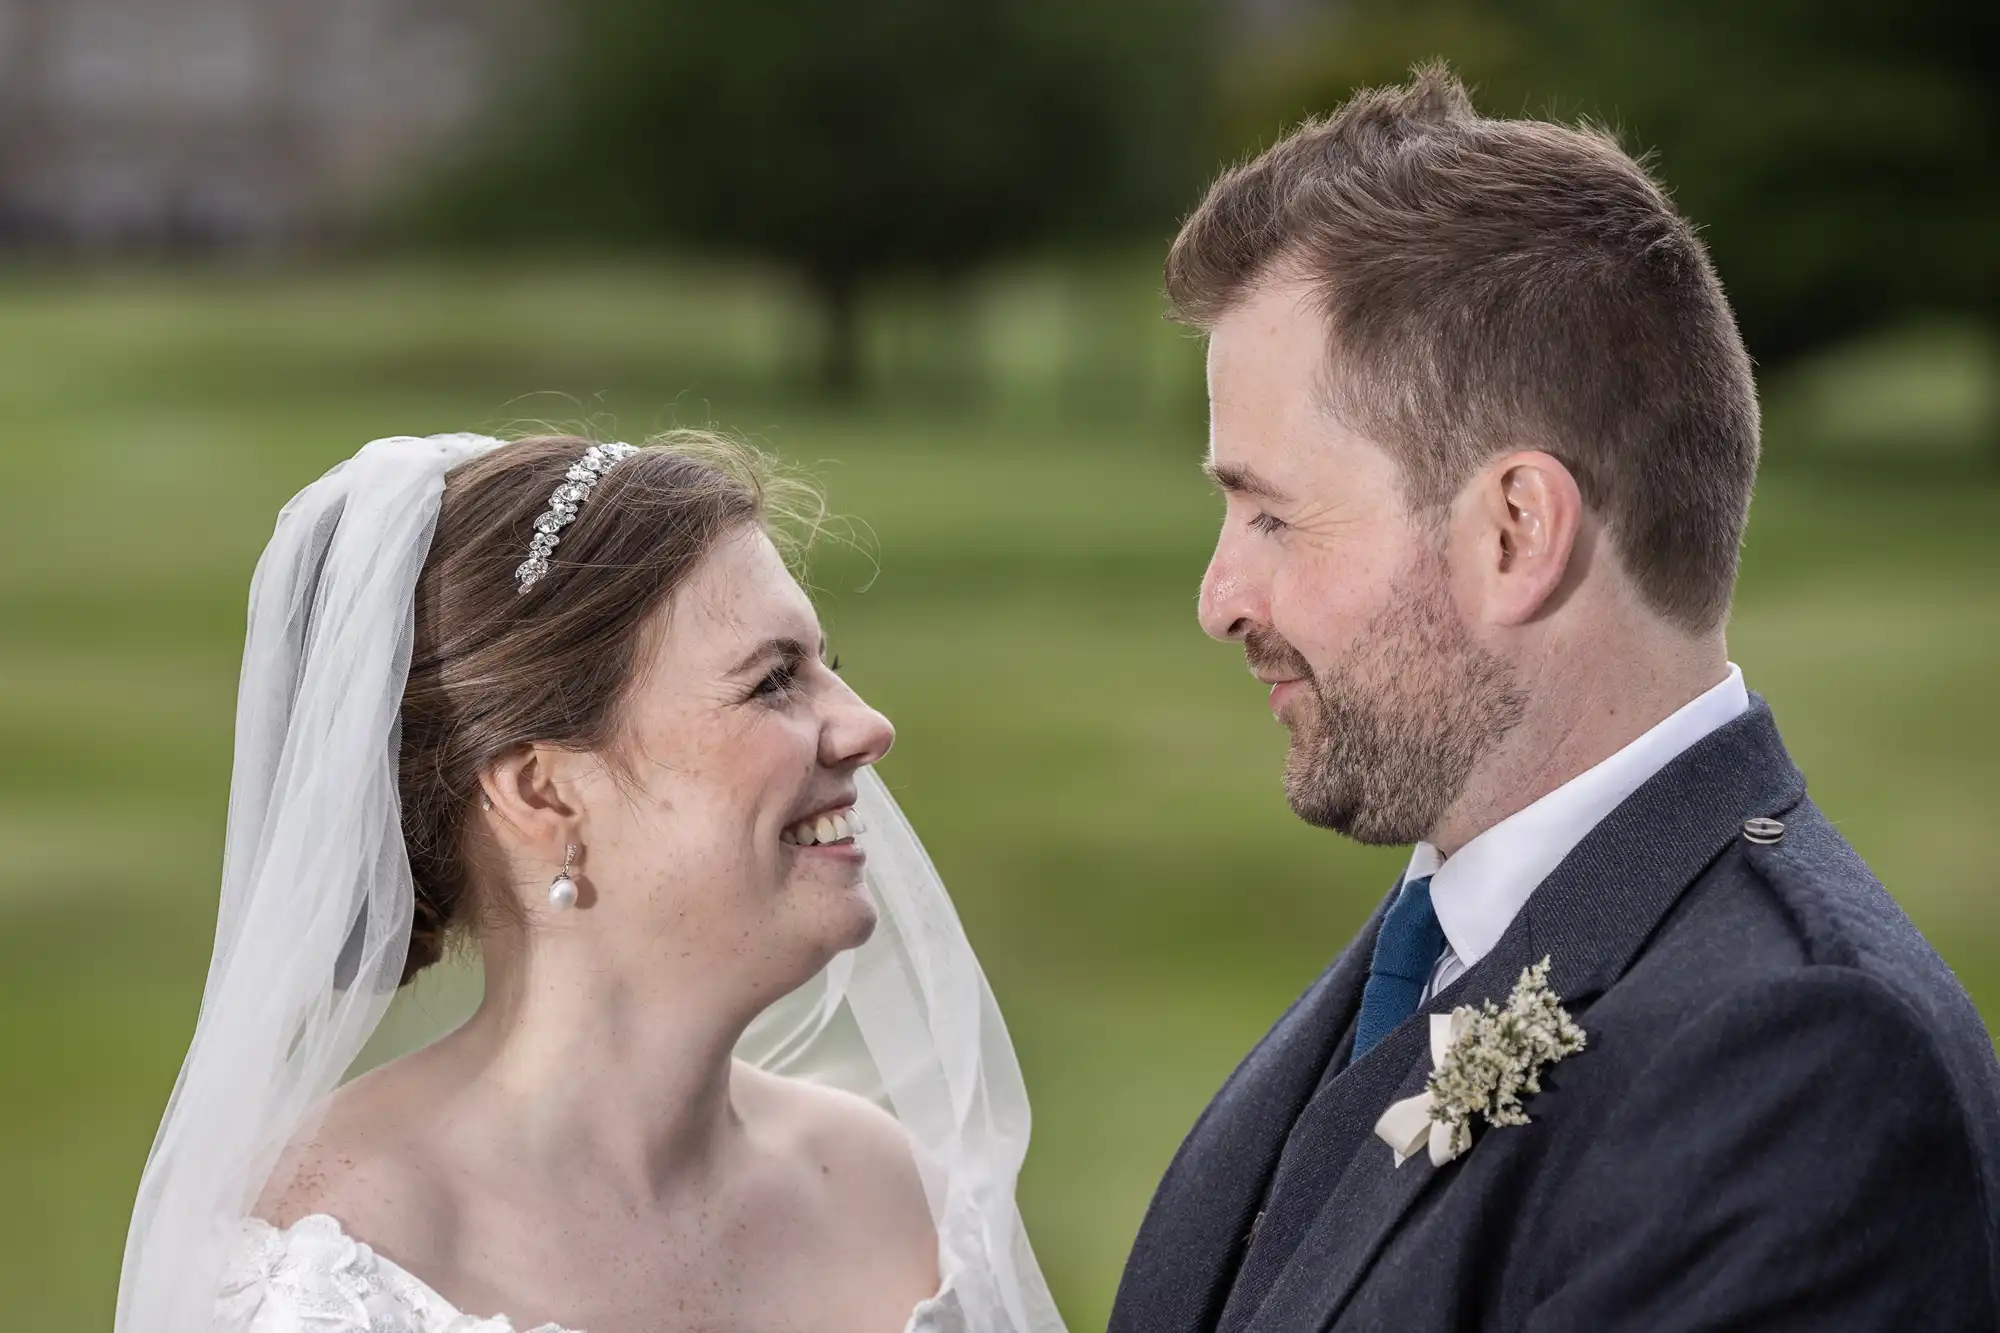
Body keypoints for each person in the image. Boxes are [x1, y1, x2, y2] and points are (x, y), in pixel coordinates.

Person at [1110, 65, 2000, 1333]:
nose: (1219, 597)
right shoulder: (1426, 956)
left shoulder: (1801, 1069)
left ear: (1516, 531)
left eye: (1271, 513)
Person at [116, 431, 1065, 1333]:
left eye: (829, 667)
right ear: (542, 789)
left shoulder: (888, 1191)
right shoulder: (323, 1265)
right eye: (774, 681)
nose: (867, 726)